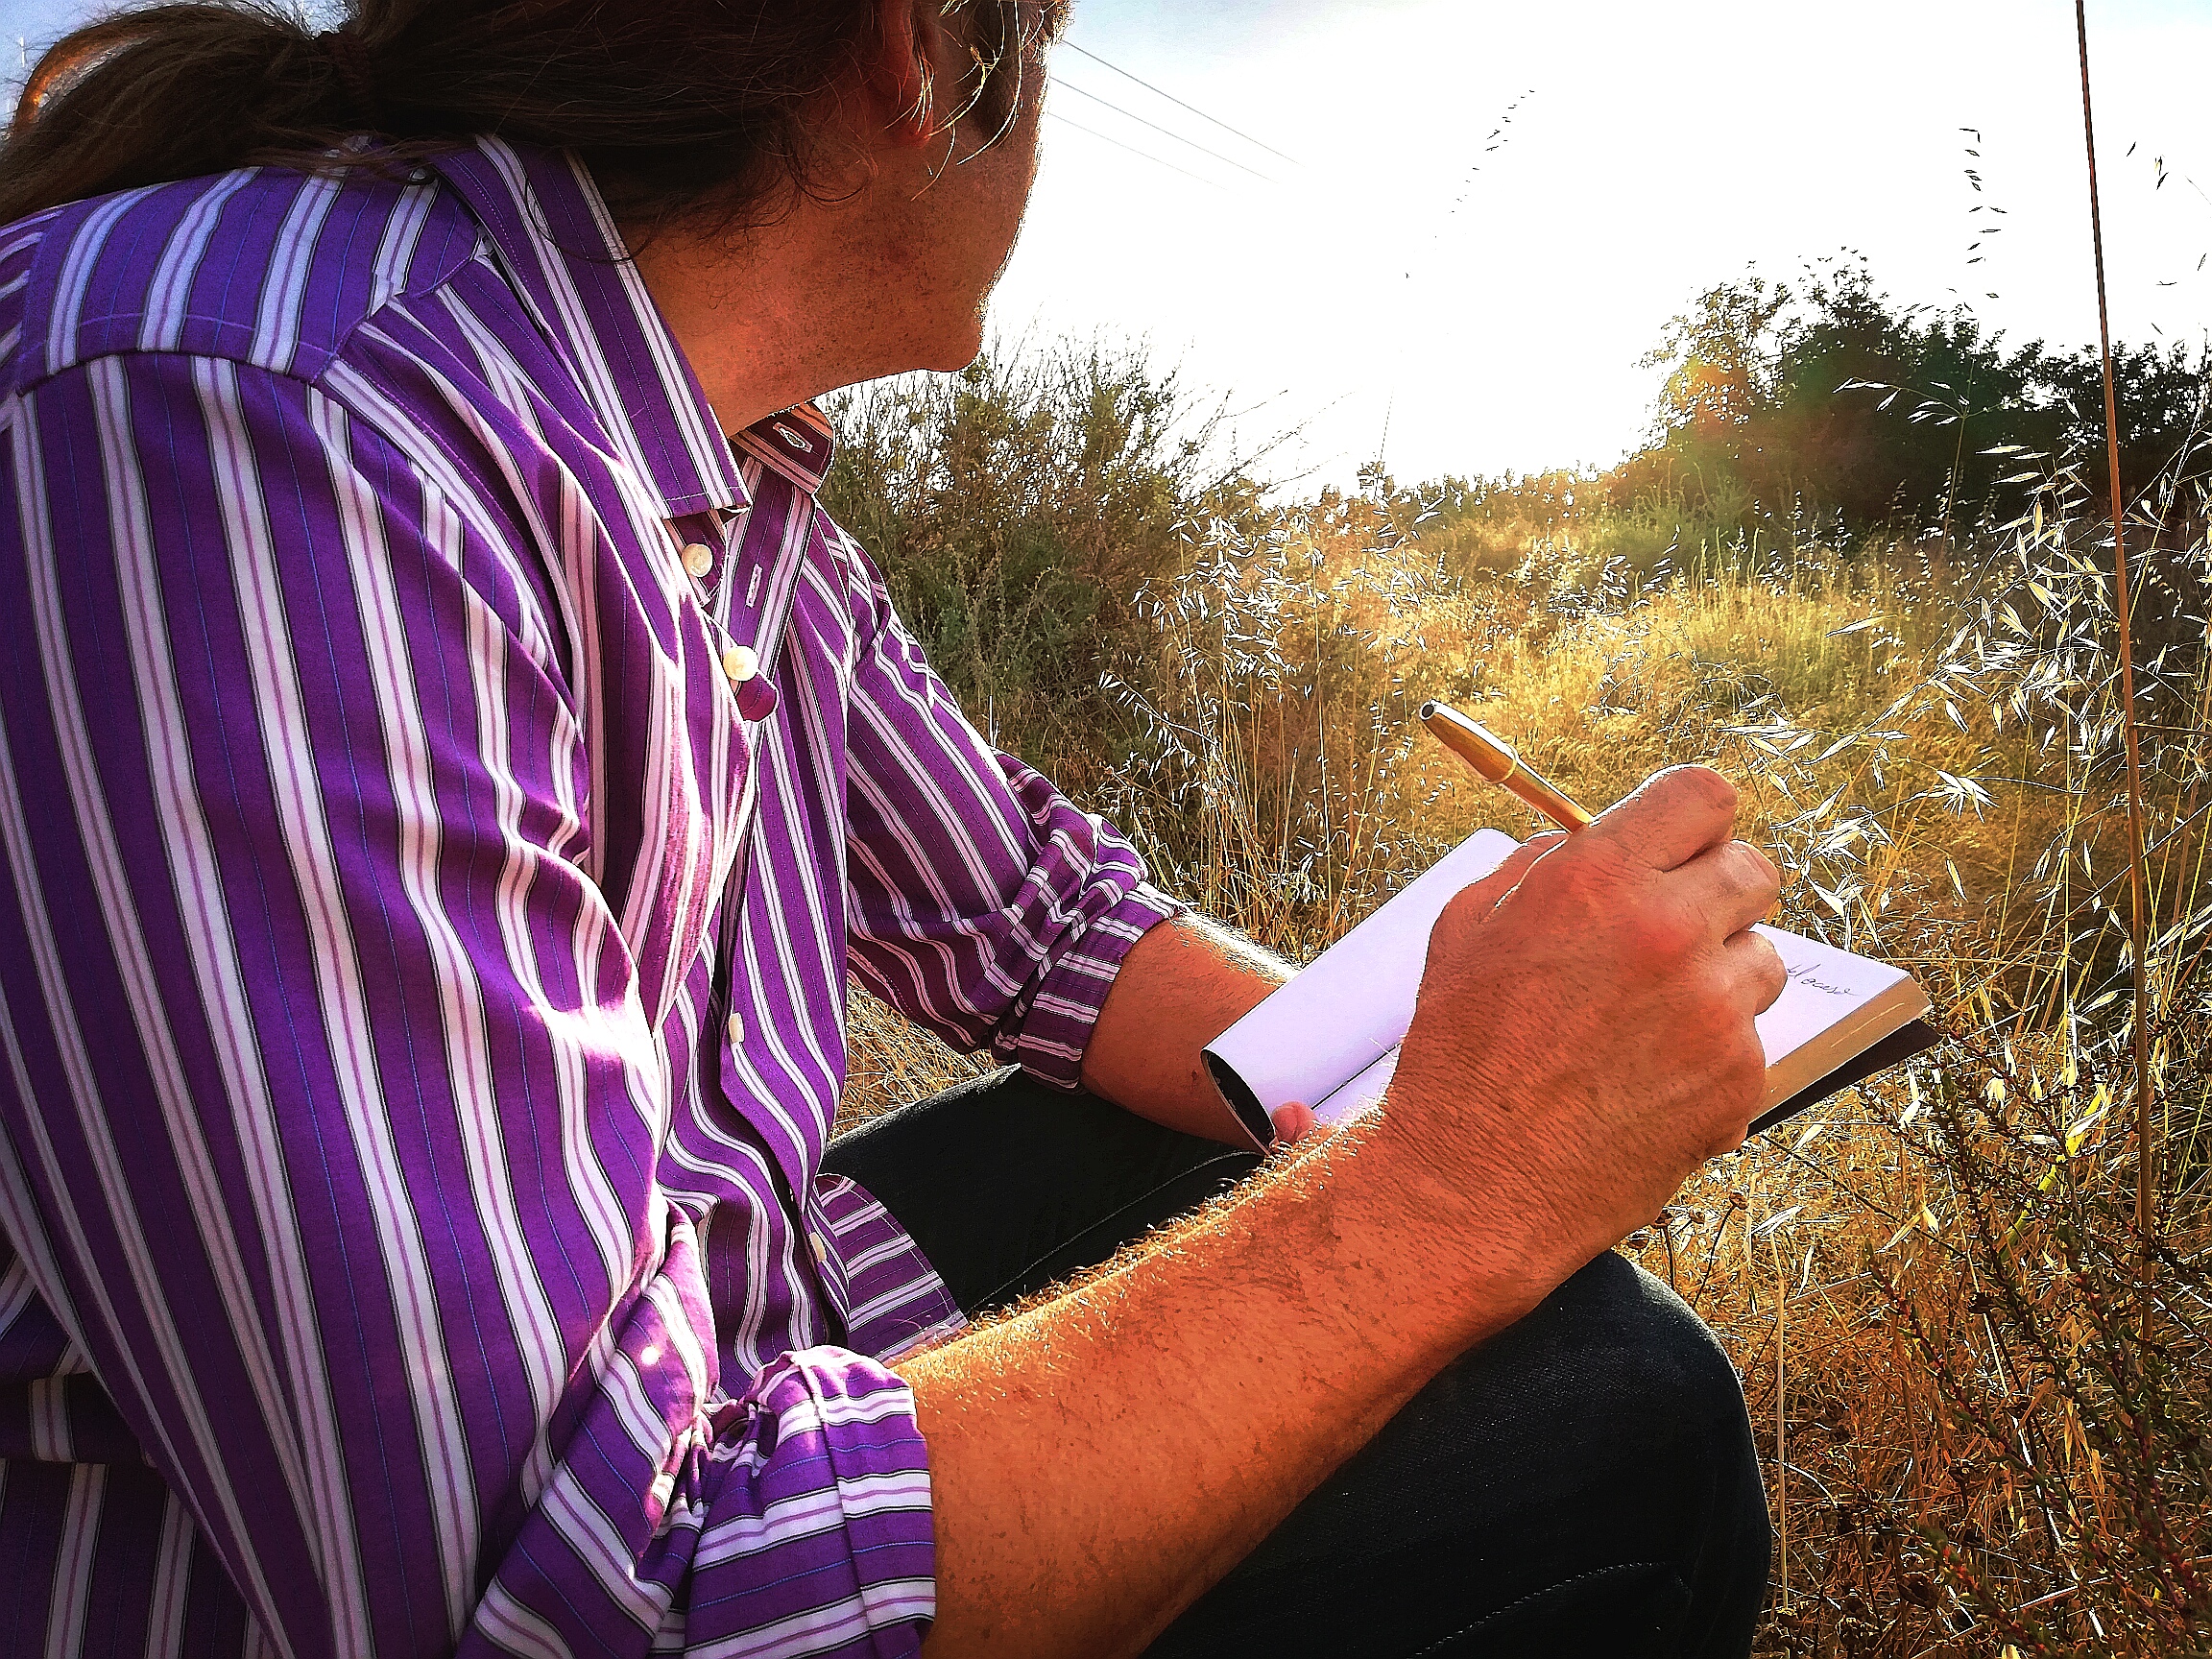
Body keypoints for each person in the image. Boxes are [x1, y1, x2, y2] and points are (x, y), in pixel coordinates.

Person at [0, 2, 1788, 1654]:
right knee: (1627, 1422)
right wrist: (1456, 1184)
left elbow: (1022, 916)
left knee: (1322, 1215)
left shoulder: (719, 470)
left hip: (724, 1320)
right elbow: (595, 1595)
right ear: (924, 53)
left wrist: (1463, 1066)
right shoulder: (257, 430)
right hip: (463, 1561)